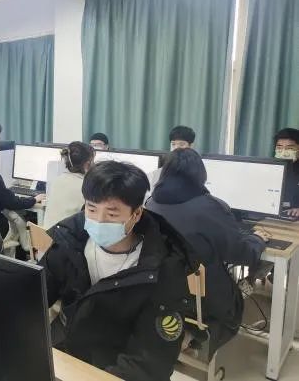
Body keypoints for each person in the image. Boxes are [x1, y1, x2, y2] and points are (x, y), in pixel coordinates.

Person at [39, 161, 198, 381]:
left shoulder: (163, 269)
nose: (98, 220)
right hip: (67, 352)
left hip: (116, 368)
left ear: (136, 214)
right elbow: (34, 297)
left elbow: (150, 362)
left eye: (112, 215)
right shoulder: (71, 239)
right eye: (91, 209)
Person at [145, 148, 265, 358]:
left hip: (163, 292)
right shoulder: (210, 207)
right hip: (203, 301)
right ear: (200, 175)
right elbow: (242, 254)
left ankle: (183, 333)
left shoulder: (151, 202)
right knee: (243, 281)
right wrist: (257, 239)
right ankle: (194, 333)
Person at [43, 142, 95, 229]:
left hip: (46, 235)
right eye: (93, 161)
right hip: (64, 236)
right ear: (87, 164)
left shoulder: (57, 180)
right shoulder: (86, 186)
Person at [274, 128, 299, 217]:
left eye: (289, 148)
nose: (284, 152)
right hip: (272, 216)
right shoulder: (269, 169)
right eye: (279, 147)